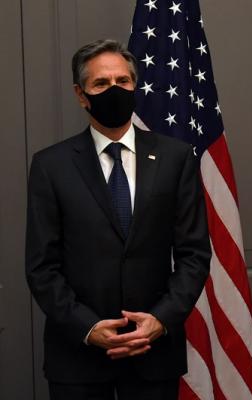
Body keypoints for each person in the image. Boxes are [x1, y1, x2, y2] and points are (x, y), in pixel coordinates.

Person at [26, 39, 211, 400]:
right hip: (77, 357)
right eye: (101, 83)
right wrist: (87, 327)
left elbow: (194, 254)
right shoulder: (51, 166)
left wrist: (160, 320)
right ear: (81, 95)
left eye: (123, 81)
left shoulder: (175, 158)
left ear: (134, 85)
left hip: (153, 353)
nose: (114, 90)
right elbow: (41, 266)